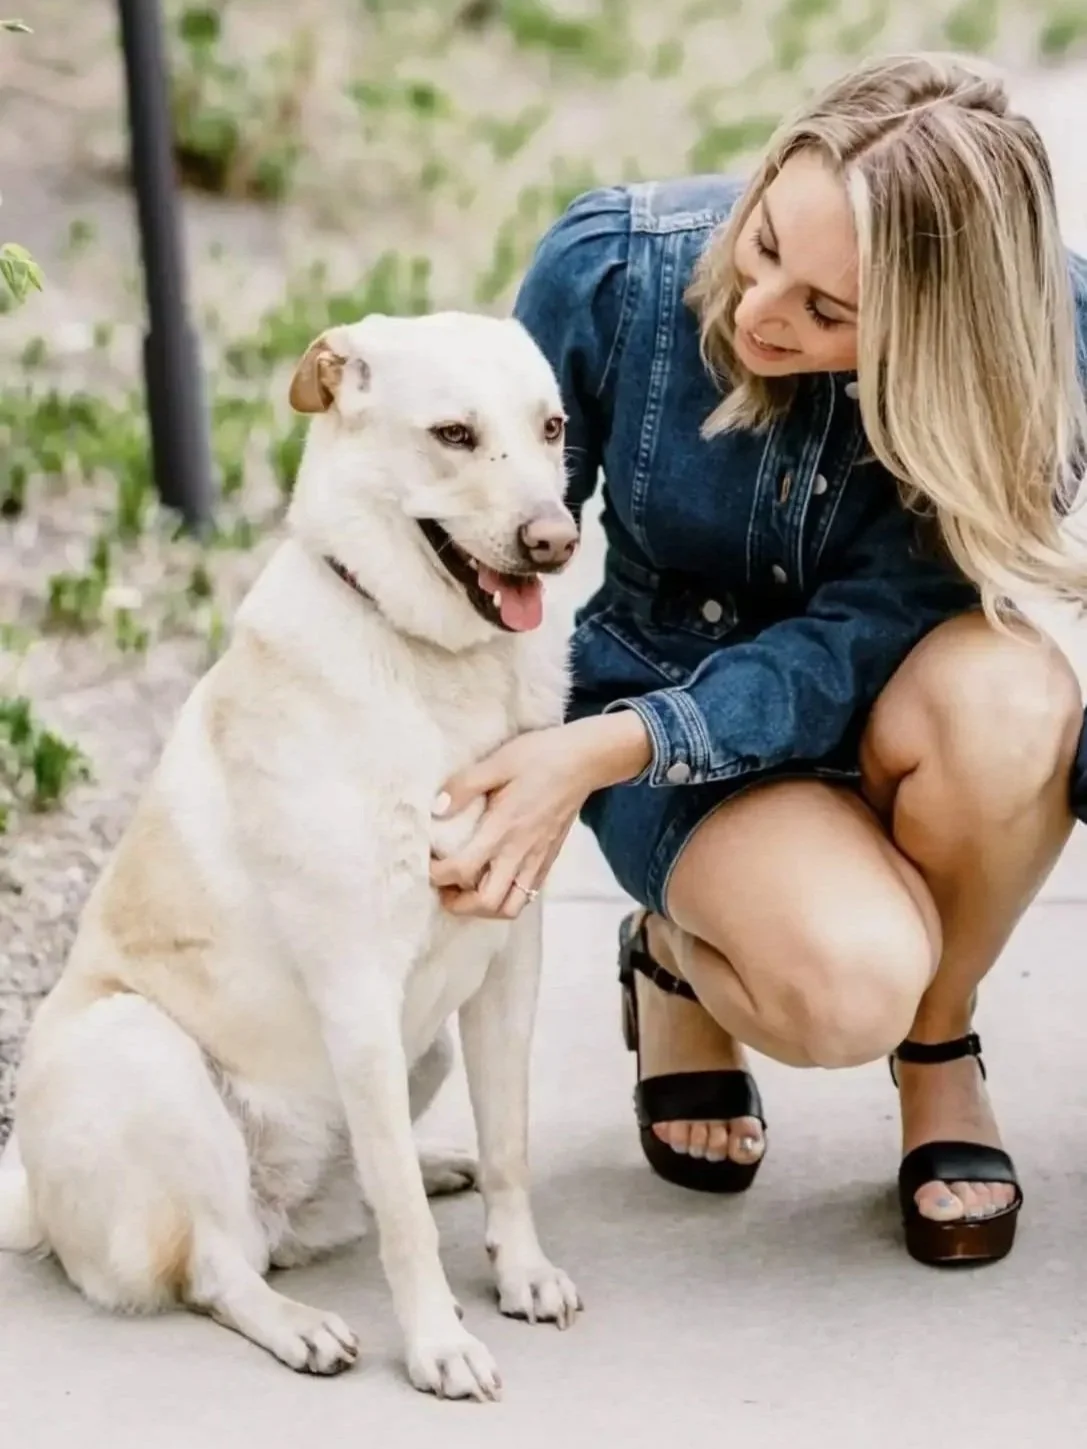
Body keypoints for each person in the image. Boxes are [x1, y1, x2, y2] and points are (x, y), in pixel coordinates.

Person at [429, 52, 1087, 1267]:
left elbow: (866, 638)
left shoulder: (1044, 344)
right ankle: (677, 957)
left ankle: (939, 1044)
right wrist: (526, 758)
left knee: (1017, 695)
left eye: (831, 312)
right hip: (666, 708)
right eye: (766, 237)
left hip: (897, 704)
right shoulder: (618, 270)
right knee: (842, 993)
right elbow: (489, 529)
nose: (758, 306)